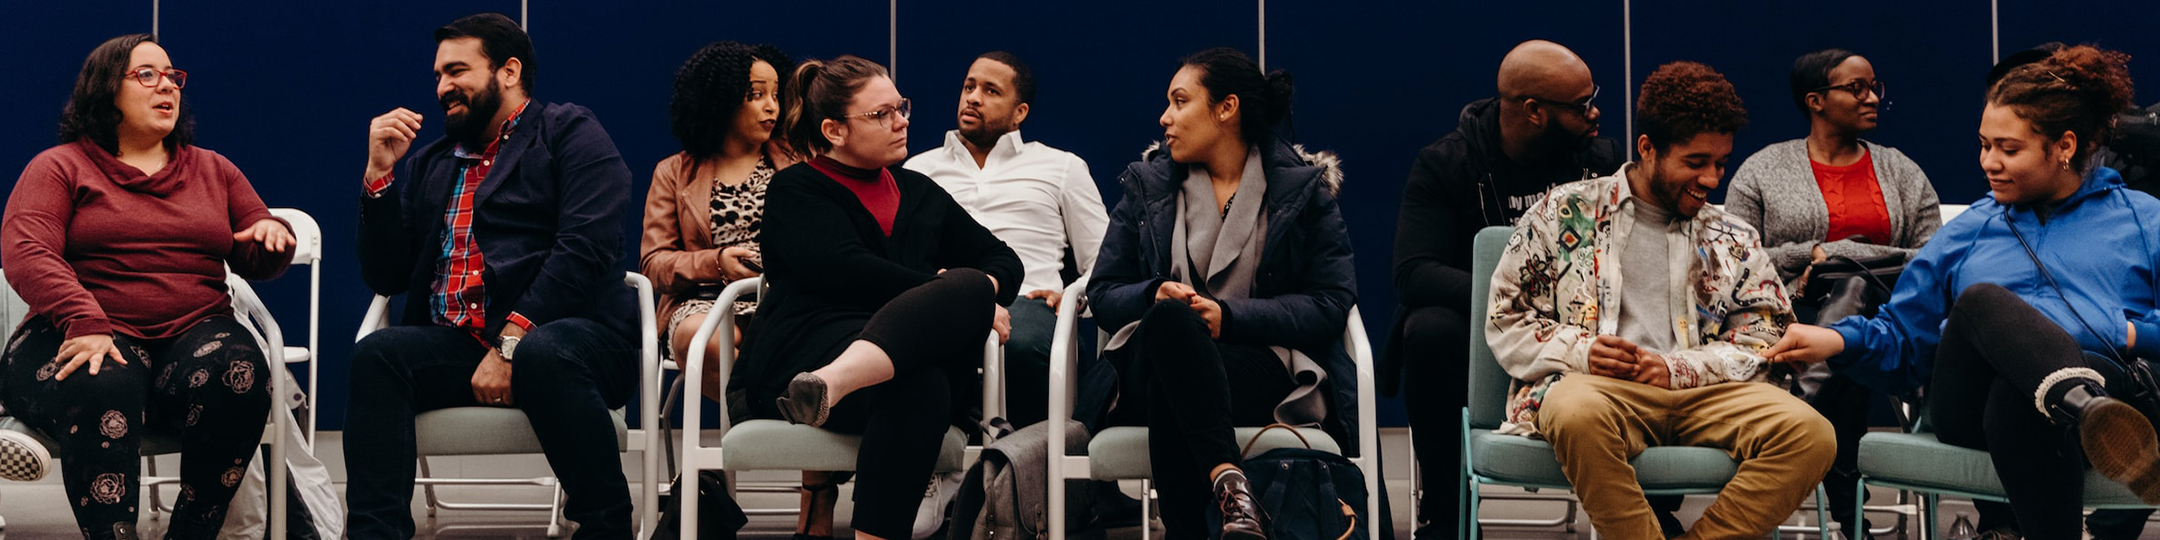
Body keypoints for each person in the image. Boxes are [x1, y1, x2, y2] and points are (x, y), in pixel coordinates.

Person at [1770, 45, 2160, 540]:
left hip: (2081, 393)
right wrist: (1839, 341)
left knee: (2020, 397)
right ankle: (2086, 408)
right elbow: (1904, 337)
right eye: (1984, 145)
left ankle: (2077, 404)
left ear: (2064, 145)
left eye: (2009, 149)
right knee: (1981, 303)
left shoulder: (2144, 219)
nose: (1989, 163)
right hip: (1968, 405)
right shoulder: (1972, 228)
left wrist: (2127, 331)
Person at [1486, 61, 1835, 539]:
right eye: (1695, 163)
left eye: (1721, 163)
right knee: (1573, 412)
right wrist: (1584, 351)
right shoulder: (1564, 212)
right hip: (1602, 391)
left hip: (1707, 394)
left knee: (1812, 435)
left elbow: (1767, 335)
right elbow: (1507, 319)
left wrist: (1680, 369)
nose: (1713, 178)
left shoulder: (1731, 235)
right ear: (1647, 149)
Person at [345, 13, 641, 539]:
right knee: (376, 355)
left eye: (457, 71)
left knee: (545, 352)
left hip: (573, 337)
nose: (443, 87)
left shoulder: (569, 131)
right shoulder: (433, 162)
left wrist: (511, 343)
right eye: (438, 75)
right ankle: (375, 534)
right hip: (462, 344)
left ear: (508, 70)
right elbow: (387, 273)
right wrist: (378, 178)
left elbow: (585, 248)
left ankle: (605, 527)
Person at [0, 33, 293, 540]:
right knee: (102, 377)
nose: (168, 88)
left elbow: (254, 251)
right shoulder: (60, 166)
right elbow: (27, 250)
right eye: (147, 75)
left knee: (241, 370)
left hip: (192, 335)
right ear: (106, 90)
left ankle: (193, 531)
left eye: (173, 77)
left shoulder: (213, 169)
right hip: (81, 331)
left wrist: (271, 242)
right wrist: (85, 320)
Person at [747, 54, 1021, 540]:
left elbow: (1004, 260)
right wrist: (951, 291)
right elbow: (847, 271)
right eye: (882, 114)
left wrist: (974, 290)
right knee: (935, 360)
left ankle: (830, 385)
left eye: (902, 108)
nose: (901, 123)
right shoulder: (795, 190)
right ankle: (825, 382)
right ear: (834, 130)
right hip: (802, 358)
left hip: (880, 372)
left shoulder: (918, 190)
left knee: (931, 367)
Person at [1087, 47, 1358, 540]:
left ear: (1226, 108)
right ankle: (1230, 486)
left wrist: (1229, 318)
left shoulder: (1302, 190)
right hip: (1150, 359)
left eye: (1179, 101)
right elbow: (1103, 292)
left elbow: (1330, 302)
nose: (1164, 117)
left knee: (1182, 380)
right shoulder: (1147, 186)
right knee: (1172, 325)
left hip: (1256, 365)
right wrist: (1153, 294)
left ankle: (1191, 529)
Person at [1383, 39, 1626, 535]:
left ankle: (1647, 505)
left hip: (1577, 327)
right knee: (1428, 329)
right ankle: (1446, 513)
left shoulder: (1599, 159)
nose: (1596, 112)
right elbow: (1415, 272)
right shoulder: (1447, 164)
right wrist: (1513, 296)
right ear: (1534, 111)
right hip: (1477, 333)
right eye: (1581, 106)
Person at [1724, 47, 1940, 539]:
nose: (1872, 98)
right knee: (1847, 331)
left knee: (1855, 287)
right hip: (1790, 316)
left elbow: (1933, 259)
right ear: (1816, 100)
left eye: (1874, 87)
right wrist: (1812, 252)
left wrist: (1843, 255)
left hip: (1891, 319)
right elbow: (1735, 257)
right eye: (1857, 88)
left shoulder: (1901, 170)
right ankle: (1849, 511)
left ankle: (1799, 411)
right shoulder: (1763, 169)